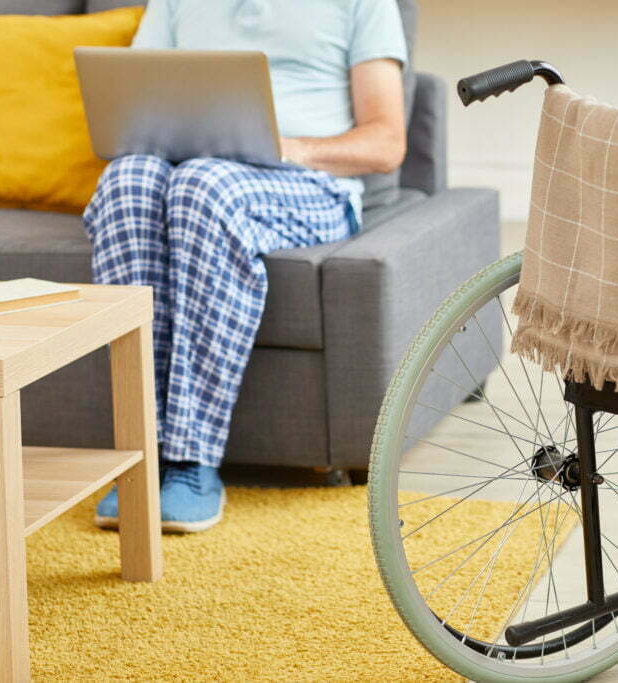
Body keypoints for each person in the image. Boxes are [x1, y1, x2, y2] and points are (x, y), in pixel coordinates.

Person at [86, 0, 408, 533]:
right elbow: (131, 103)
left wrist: (288, 148)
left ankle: (191, 461)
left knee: (203, 185)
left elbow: (386, 142)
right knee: (126, 181)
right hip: (187, 170)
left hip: (307, 183)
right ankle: (138, 458)